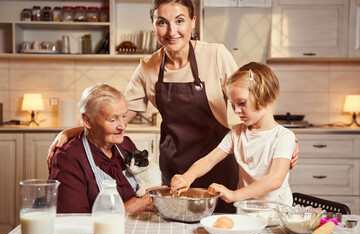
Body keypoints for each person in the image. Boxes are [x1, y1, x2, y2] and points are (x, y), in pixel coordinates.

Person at [47, 0, 298, 213]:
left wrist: (279, 139)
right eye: (162, 22)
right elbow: (116, 118)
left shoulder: (216, 55)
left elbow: (251, 96)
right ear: (153, 25)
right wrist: (74, 131)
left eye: (179, 21)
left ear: (193, 22)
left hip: (219, 166)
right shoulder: (147, 66)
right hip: (177, 171)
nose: (171, 31)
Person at [171, 62, 295, 206]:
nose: (236, 110)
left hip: (277, 213)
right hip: (246, 210)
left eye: (242, 103)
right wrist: (187, 177)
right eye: (233, 105)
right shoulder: (237, 132)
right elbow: (209, 160)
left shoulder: (284, 136)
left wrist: (234, 195)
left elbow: (275, 179)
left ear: (264, 95)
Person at [48, 83, 154, 213]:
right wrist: (130, 207)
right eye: (113, 119)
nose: (122, 126)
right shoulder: (68, 158)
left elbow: (144, 191)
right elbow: (73, 221)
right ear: (87, 120)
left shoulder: (125, 145)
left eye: (124, 116)